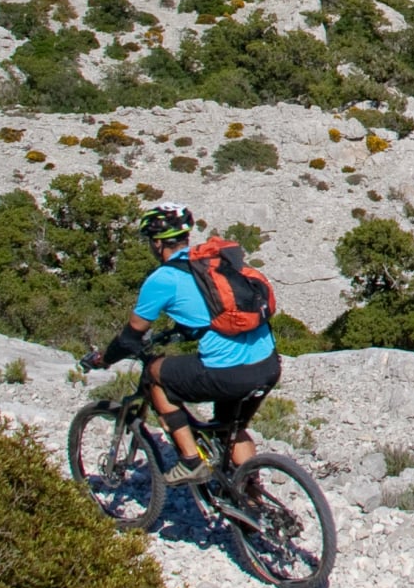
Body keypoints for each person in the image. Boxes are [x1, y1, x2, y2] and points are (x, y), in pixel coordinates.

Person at [81, 203, 281, 485]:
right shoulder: (214, 262)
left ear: (157, 243)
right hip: (268, 364)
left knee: (153, 374)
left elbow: (130, 337)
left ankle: (190, 460)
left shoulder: (163, 279)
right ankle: (255, 506)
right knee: (231, 430)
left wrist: (104, 359)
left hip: (229, 373)